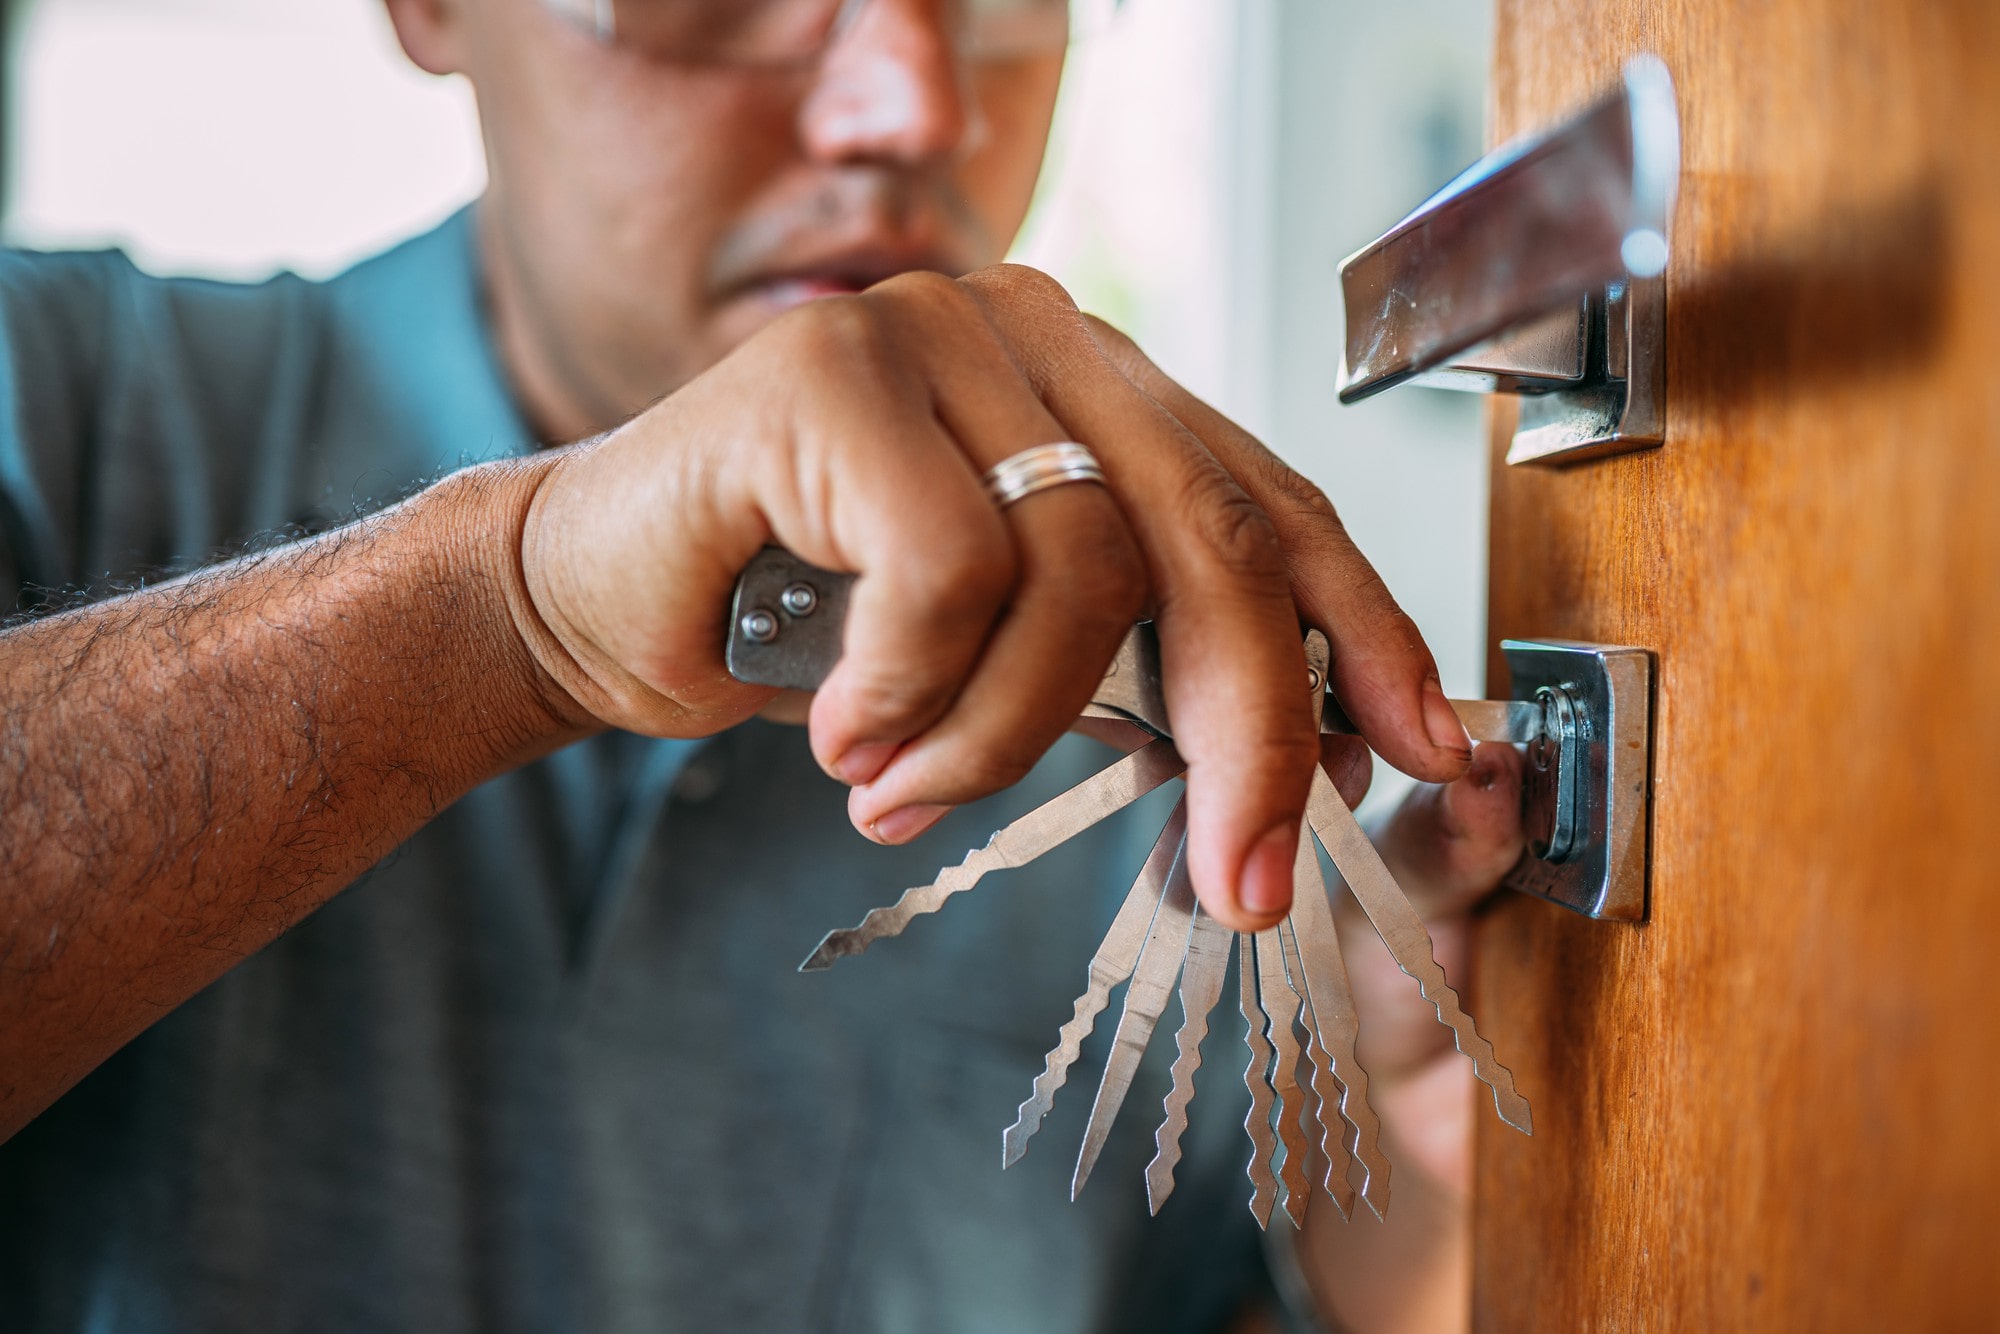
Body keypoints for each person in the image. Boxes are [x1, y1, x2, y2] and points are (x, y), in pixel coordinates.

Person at [0, 0, 1525, 1329]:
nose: (917, 102)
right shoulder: (57, 408)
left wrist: (1397, 1187)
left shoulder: (1161, 726)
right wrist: (510, 609)